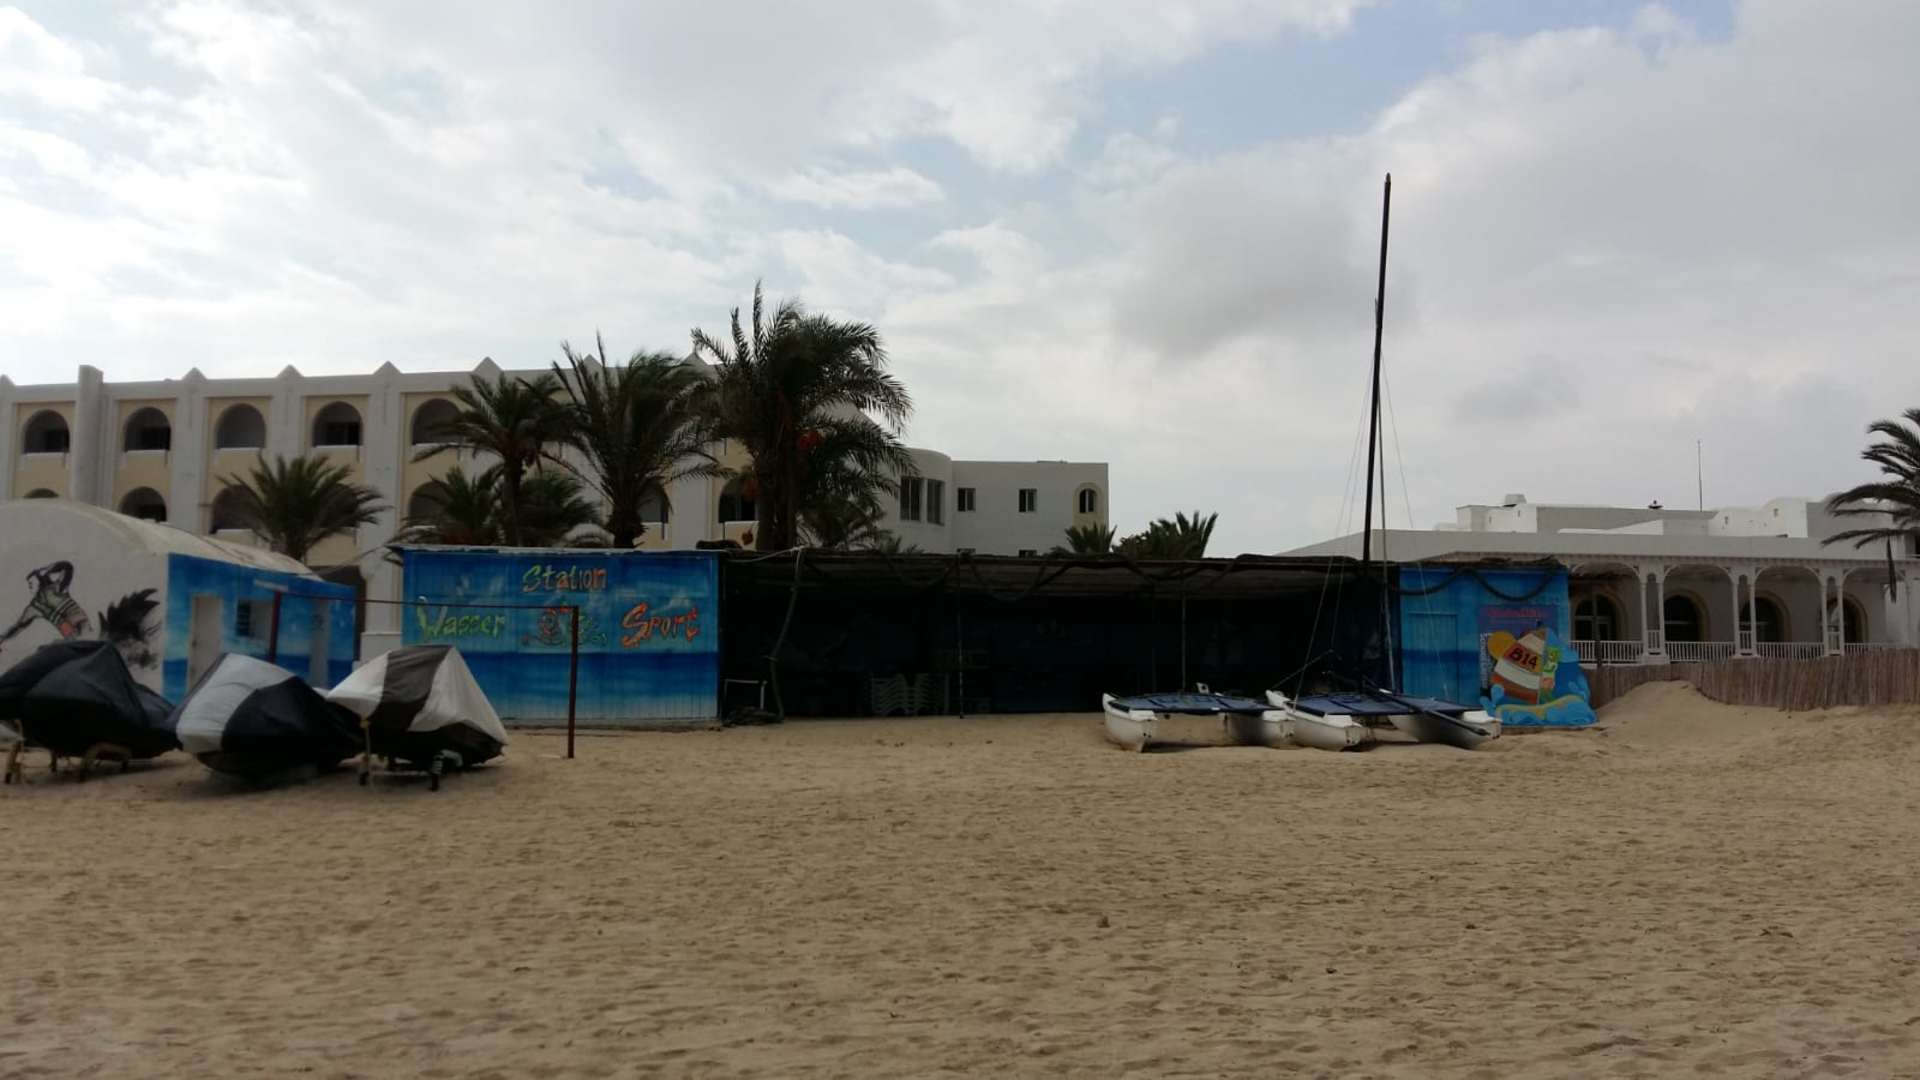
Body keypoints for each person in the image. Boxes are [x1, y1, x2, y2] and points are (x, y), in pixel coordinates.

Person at [0, 561, 92, 654]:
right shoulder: (35, 606)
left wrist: (47, 569)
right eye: (29, 584)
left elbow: (67, 567)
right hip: (71, 637)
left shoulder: (56, 588)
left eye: (31, 583)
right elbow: (18, 626)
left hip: (83, 626)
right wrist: (2, 638)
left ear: (39, 580)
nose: (29, 586)